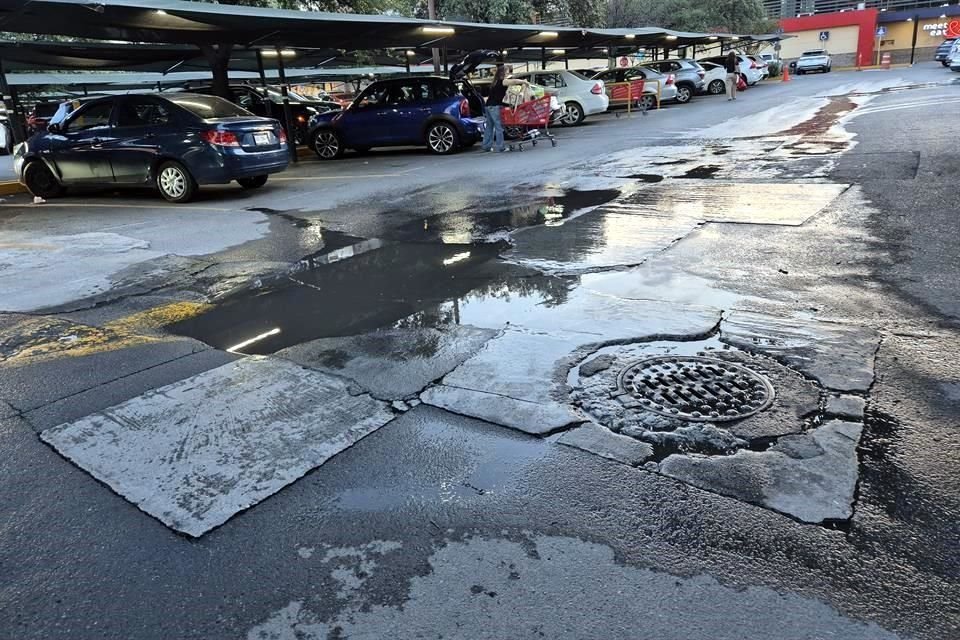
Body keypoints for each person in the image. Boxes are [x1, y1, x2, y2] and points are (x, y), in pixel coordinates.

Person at [482, 64, 527, 153]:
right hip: (495, 107)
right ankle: (500, 147)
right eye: (507, 71)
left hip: (488, 106)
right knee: (499, 127)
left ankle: (486, 146)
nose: (508, 73)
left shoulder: (495, 82)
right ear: (502, 73)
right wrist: (524, 82)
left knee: (489, 127)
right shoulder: (502, 81)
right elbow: (513, 82)